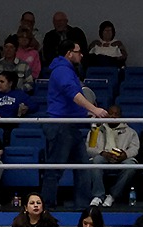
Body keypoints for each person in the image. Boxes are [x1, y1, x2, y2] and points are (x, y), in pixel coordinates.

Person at [41, 39, 108, 209]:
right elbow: (73, 95)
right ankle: (47, 206)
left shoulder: (67, 70)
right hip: (61, 125)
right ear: (69, 53)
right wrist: (95, 109)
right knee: (55, 168)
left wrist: (87, 112)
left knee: (83, 166)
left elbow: (71, 100)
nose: (81, 55)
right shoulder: (62, 70)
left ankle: (82, 206)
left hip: (71, 124)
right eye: (78, 51)